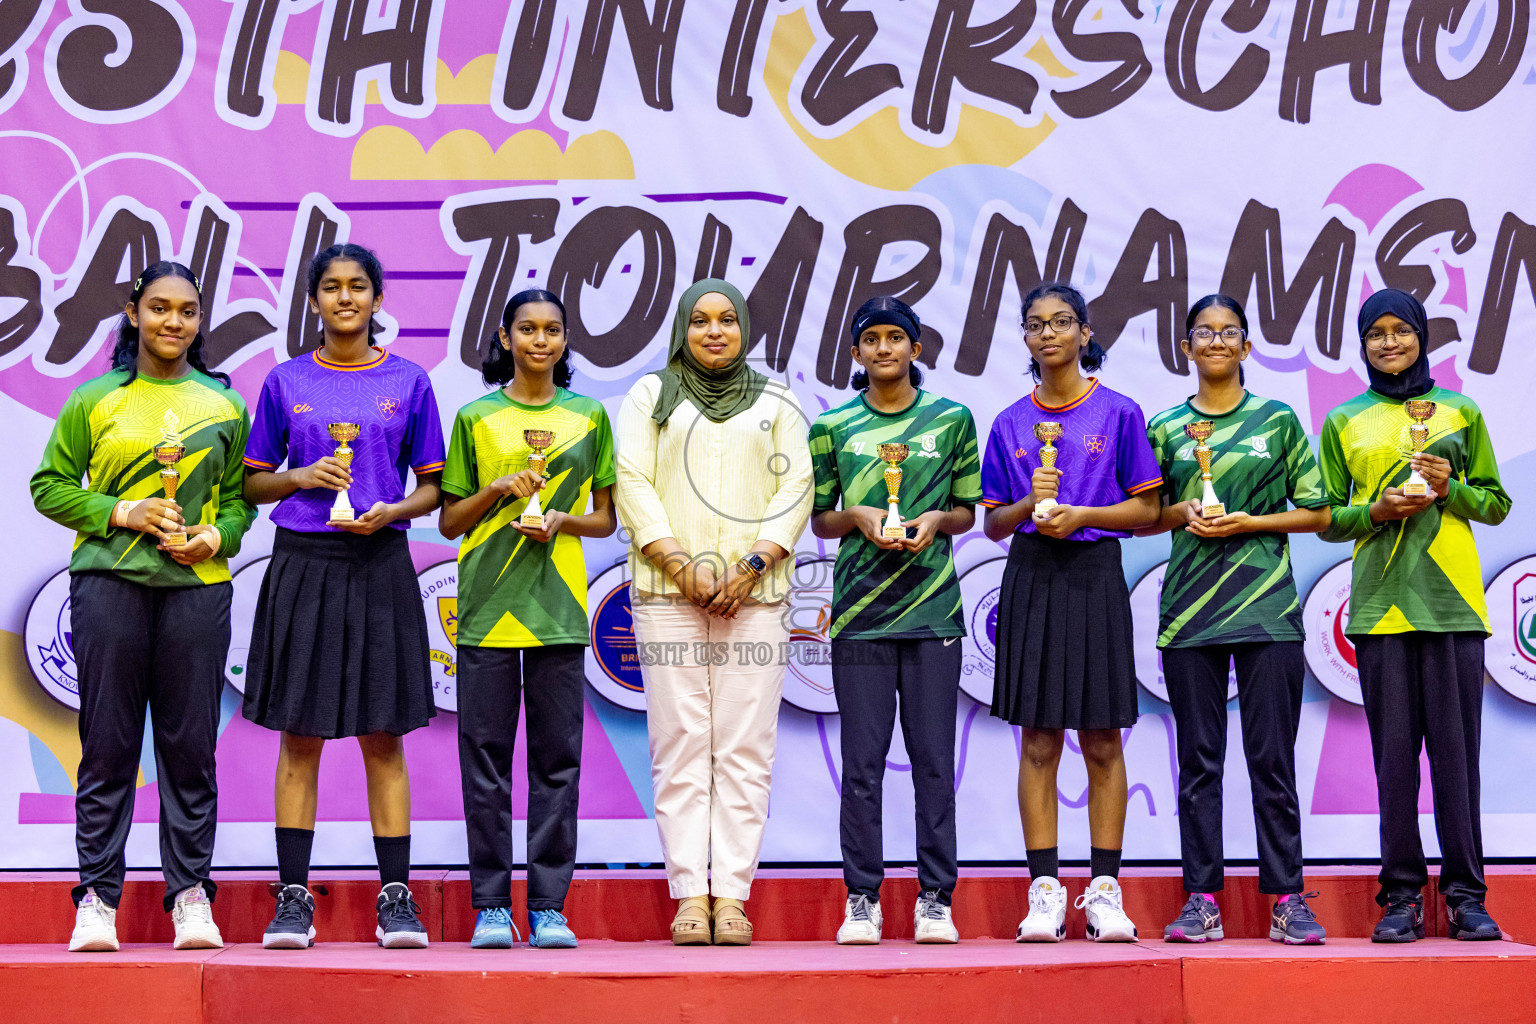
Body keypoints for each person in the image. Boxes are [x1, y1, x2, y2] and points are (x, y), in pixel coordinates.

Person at [31, 261, 255, 952]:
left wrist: (218, 534)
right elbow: (49, 486)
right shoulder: (94, 399)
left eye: (186, 311)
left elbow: (244, 500)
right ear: (133, 313)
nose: (173, 322)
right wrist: (123, 511)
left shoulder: (224, 404)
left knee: (189, 751)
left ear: (198, 321)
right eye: (159, 308)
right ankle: (96, 898)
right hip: (108, 587)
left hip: (199, 590)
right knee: (108, 747)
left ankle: (191, 897)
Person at [241, 243, 445, 950]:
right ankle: (293, 899)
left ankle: (396, 898)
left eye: (358, 287)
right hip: (304, 561)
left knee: (382, 736)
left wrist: (394, 510)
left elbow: (433, 487)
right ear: (313, 300)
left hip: (381, 557)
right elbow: (252, 483)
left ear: (379, 299)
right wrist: (301, 479)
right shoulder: (283, 381)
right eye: (331, 287)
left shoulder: (410, 382)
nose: (345, 298)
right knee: (300, 736)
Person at [614, 278, 813, 945]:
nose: (715, 331)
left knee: (744, 748)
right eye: (700, 321)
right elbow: (632, 481)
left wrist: (751, 564)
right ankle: (688, 897)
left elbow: (797, 485)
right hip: (668, 594)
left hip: (755, 597)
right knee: (680, 746)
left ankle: (731, 894)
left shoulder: (778, 400)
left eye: (727, 319)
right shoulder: (651, 395)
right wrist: (682, 564)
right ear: (682, 329)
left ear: (745, 327)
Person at [1319, 288, 1510, 942]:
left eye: (1402, 330)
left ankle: (1466, 897)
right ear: (1364, 343)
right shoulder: (1344, 420)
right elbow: (1326, 517)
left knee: (1458, 763)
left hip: (1452, 609)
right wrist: (1376, 511)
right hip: (1379, 610)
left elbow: (1495, 504)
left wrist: (1448, 488)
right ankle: (1400, 897)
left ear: (1423, 337)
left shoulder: (1459, 412)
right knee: (1393, 763)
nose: (1390, 342)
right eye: (1377, 333)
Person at [1139, 294, 1330, 944]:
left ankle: (1288, 897)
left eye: (1229, 332)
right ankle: (1201, 900)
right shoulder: (1165, 426)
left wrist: (1250, 521)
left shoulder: (1276, 421)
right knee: (1199, 762)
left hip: (1268, 614)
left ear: (1247, 347)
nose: (1216, 342)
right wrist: (1182, 512)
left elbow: (1318, 512)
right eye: (1203, 332)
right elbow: (1147, 513)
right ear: (1186, 347)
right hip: (1190, 615)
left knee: (1272, 760)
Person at [980, 282, 1161, 943]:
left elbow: (1146, 511)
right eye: (1036, 324)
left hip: (1094, 574)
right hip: (1031, 576)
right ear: (1025, 338)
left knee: (1104, 738)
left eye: (1062, 322)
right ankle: (1045, 892)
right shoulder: (1007, 423)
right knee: (1037, 740)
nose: (1049, 333)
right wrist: (1031, 504)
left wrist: (1082, 515)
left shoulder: (1119, 413)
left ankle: (1106, 890)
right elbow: (994, 524)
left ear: (1086, 334)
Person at [440, 289, 617, 950]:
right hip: (486, 609)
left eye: (551, 330)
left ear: (565, 340)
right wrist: (496, 491)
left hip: (560, 610)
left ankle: (547, 905)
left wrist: (561, 521)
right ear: (506, 336)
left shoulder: (589, 415)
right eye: (527, 329)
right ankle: (491, 905)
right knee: (484, 763)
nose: (539, 341)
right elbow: (450, 520)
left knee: (556, 763)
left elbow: (606, 519)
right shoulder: (477, 418)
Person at [808, 296, 979, 945]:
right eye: (872, 340)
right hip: (860, 615)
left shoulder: (952, 419)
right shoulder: (833, 425)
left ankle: (935, 898)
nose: (884, 349)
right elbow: (821, 517)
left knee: (934, 760)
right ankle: (862, 898)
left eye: (896, 338)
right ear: (856, 353)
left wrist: (934, 520)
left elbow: (967, 510)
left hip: (933, 612)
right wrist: (856, 517)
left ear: (916, 348)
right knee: (863, 764)